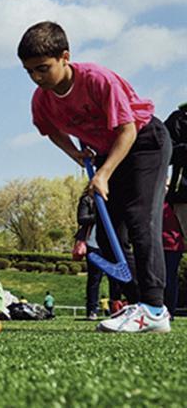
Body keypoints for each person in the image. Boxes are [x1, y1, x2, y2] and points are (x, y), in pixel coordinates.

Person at [19, 21, 173, 333]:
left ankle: (155, 309)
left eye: (43, 68)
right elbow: (51, 130)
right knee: (107, 236)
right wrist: (75, 155)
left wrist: (103, 174)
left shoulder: (97, 79)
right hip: (106, 150)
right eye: (29, 71)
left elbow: (127, 130)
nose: (36, 78)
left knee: (140, 219)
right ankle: (139, 304)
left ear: (65, 56)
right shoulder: (42, 99)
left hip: (144, 142)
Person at [73, 191, 136, 319]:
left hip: (113, 244)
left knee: (115, 279)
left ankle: (116, 307)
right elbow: (81, 218)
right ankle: (92, 310)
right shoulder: (88, 200)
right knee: (94, 279)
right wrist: (101, 216)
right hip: (93, 244)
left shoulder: (116, 200)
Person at [163, 202, 183, 319]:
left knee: (169, 278)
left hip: (172, 245)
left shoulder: (170, 203)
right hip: (165, 244)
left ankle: (169, 310)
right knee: (167, 279)